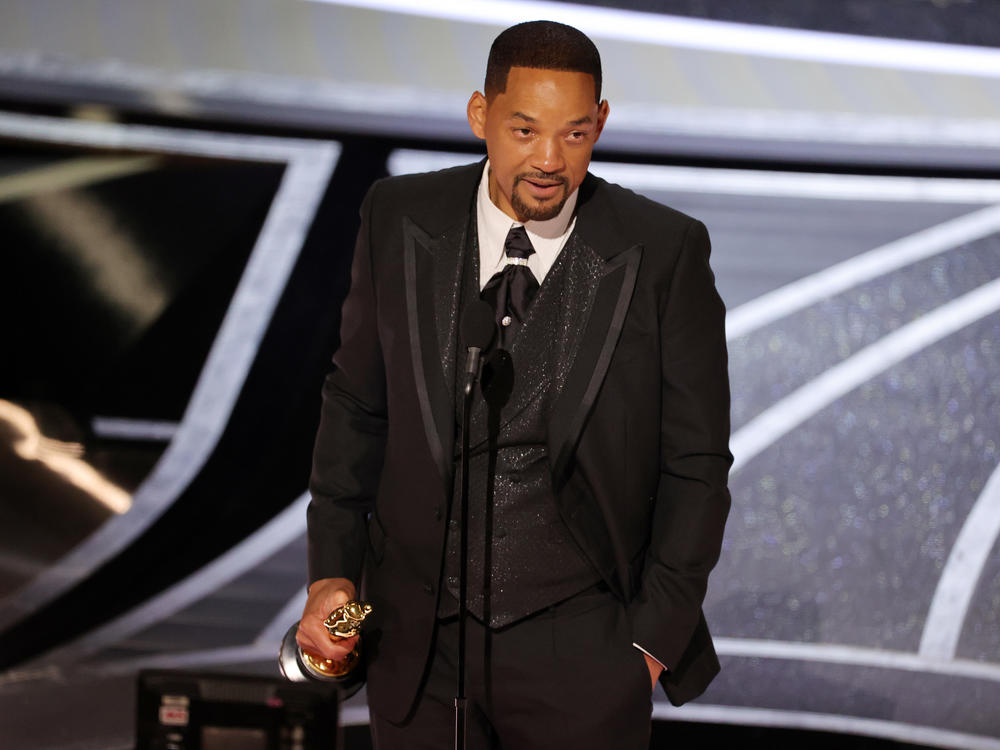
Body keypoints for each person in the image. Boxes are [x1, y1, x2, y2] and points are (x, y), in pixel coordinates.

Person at [296, 20, 732, 749]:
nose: (549, 160)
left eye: (574, 134)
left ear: (600, 124)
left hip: (583, 654)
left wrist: (648, 646)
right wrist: (330, 576)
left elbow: (695, 464)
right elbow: (356, 406)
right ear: (481, 117)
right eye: (525, 130)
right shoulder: (398, 217)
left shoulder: (662, 250)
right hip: (417, 644)